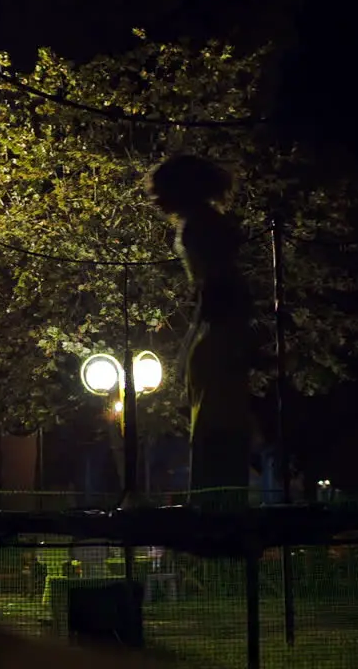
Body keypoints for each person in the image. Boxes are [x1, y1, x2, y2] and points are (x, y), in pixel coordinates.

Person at [146, 155, 254, 509]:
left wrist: (194, 335)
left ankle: (214, 502)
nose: (155, 198)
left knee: (212, 415)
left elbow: (213, 285)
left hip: (220, 326)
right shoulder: (206, 224)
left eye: (160, 191)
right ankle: (218, 498)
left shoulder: (199, 227)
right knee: (215, 412)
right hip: (225, 324)